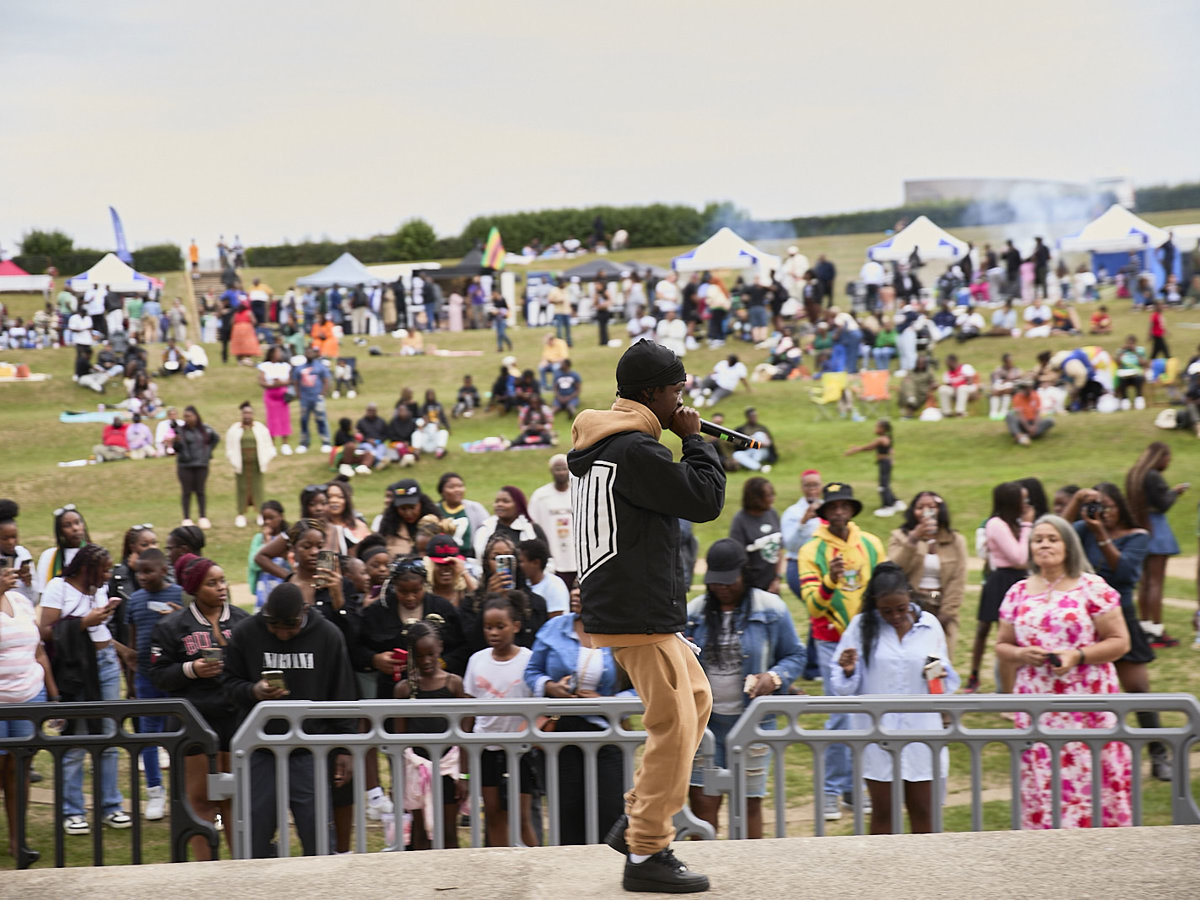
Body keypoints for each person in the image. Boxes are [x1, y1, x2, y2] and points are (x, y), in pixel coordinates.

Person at [566, 339, 722, 892]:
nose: (682, 401)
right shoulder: (635, 451)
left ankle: (637, 818)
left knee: (697, 699)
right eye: (676, 391)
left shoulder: (606, 446)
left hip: (629, 605)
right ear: (653, 392)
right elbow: (705, 500)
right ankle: (647, 851)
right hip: (637, 610)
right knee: (673, 726)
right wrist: (697, 440)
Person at [995, 516, 1132, 829]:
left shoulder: (1092, 587)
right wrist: (1021, 654)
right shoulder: (1018, 591)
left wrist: (1079, 655)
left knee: (1089, 778)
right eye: (1038, 539)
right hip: (1037, 705)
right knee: (1043, 779)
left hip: (1087, 705)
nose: (1044, 544)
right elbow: (1001, 645)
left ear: (1068, 545)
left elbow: (1120, 642)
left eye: (1052, 539)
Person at [221, 582, 357, 857]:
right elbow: (226, 684)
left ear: (304, 611)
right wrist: (253, 691)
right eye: (274, 625)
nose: (282, 633)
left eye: (291, 626)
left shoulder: (328, 635)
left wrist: (343, 748)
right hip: (260, 750)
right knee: (256, 834)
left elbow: (342, 694)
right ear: (265, 613)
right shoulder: (247, 632)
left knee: (316, 833)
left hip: (309, 751)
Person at [684, 539, 804, 839]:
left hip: (752, 723)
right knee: (702, 800)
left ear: (744, 575)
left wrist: (775, 677)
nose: (721, 588)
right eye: (715, 582)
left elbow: (796, 655)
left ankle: (749, 869)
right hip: (704, 724)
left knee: (748, 802)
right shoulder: (694, 613)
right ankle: (705, 865)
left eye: (729, 582)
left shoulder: (771, 609)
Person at [831, 562, 958, 833]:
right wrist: (847, 670)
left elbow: (945, 684)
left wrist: (940, 675)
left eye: (901, 608)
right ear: (875, 605)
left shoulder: (929, 625)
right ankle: (882, 874)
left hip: (922, 734)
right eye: (886, 611)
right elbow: (842, 688)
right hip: (878, 736)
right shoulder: (860, 627)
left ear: (910, 597)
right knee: (883, 814)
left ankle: (925, 873)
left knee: (924, 812)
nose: (895, 616)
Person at [1060, 483, 1169, 780]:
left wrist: (1101, 535)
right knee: (1082, 692)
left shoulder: (1137, 536)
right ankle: (1078, 757)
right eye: (1097, 506)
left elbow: (1125, 573)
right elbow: (1057, 533)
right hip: (1082, 621)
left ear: (1120, 506)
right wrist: (1078, 502)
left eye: (1107, 506)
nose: (1103, 512)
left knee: (1138, 689)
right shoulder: (1082, 528)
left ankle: (1159, 754)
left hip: (1119, 619)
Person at [147, 554, 247, 858]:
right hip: (195, 721)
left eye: (222, 581)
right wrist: (192, 669)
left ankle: (243, 868)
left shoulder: (244, 621)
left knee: (235, 798)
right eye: (211, 583)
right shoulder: (171, 626)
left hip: (236, 720)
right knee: (201, 799)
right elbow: (157, 675)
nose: (221, 588)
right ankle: (207, 871)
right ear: (194, 588)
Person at [798, 482, 885, 821]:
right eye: (832, 506)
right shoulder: (811, 550)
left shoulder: (871, 544)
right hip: (831, 639)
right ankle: (832, 791)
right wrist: (830, 581)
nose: (838, 511)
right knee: (838, 717)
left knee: (867, 715)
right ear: (824, 513)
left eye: (844, 505)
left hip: (869, 638)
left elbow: (885, 587)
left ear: (851, 510)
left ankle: (855, 787)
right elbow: (813, 607)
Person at [38, 544, 133, 835]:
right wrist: (84, 622)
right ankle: (73, 811)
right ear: (84, 568)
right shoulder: (59, 587)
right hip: (77, 671)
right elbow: (44, 630)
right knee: (77, 738)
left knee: (108, 734)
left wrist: (120, 650)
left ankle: (111, 806)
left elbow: (99, 632)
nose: (108, 575)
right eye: (103, 569)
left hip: (105, 663)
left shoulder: (97, 589)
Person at [392, 620, 468, 849]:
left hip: (447, 769)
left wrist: (464, 776)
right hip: (416, 769)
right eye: (420, 655)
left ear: (440, 649)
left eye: (431, 655)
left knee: (449, 833)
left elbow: (463, 735)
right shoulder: (404, 689)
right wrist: (398, 780)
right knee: (419, 834)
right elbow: (399, 741)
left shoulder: (453, 684)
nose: (426, 661)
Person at [0, 561, 56, 867]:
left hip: (29, 698)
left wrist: (53, 694)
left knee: (19, 771)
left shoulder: (21, 601)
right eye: (3, 571)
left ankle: (18, 842)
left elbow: (38, 650)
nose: (11, 574)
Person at [123, 549, 182, 823]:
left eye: (148, 571)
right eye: (138, 572)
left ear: (163, 570)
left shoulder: (179, 595)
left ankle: (183, 792)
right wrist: (131, 682)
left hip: (175, 675)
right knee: (148, 734)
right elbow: (133, 642)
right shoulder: (135, 600)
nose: (142, 576)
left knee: (182, 733)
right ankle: (155, 792)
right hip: (146, 677)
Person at [966, 481, 1034, 693]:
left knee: (1017, 635)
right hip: (1002, 579)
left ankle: (1012, 684)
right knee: (989, 630)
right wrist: (1027, 526)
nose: (1027, 503)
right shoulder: (996, 524)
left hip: (1019, 580)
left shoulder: (1014, 522)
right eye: (1022, 499)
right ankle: (976, 676)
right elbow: (1020, 558)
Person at [886, 492, 968, 658]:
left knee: (936, 665)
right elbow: (893, 570)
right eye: (920, 507)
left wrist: (946, 614)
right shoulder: (900, 537)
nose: (926, 511)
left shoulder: (956, 541)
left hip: (941, 608)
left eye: (931, 507)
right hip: (909, 608)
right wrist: (913, 539)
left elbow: (958, 579)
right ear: (912, 511)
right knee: (910, 659)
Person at [1126, 442, 1189, 647]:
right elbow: (1163, 504)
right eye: (1167, 457)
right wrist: (1175, 492)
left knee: (1144, 582)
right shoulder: (1153, 476)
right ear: (1159, 457)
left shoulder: (1134, 474)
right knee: (1156, 583)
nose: (1168, 462)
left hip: (1139, 527)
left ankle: (1144, 626)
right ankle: (1157, 629)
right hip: (1156, 529)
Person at [527, 454, 576, 588]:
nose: (561, 472)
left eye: (564, 469)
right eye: (557, 469)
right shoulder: (540, 496)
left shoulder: (578, 491)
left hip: (576, 557)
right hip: (553, 557)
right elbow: (533, 526)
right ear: (551, 471)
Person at [225, 401, 276, 529]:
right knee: (242, 488)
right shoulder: (235, 429)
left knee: (258, 488)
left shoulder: (260, 428)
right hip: (241, 464)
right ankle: (241, 514)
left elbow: (268, 445)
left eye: (249, 413)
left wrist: (265, 459)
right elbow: (229, 447)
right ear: (242, 414)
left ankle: (260, 513)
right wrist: (233, 459)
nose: (247, 415)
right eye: (245, 413)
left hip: (256, 464)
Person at [728, 477, 783, 593]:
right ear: (755, 498)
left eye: (773, 494)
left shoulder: (772, 514)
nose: (773, 499)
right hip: (750, 588)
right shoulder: (740, 521)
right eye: (768, 495)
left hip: (772, 587)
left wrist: (777, 579)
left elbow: (779, 550)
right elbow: (736, 559)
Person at [171, 405, 219, 529]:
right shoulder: (181, 431)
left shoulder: (205, 430)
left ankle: (202, 517)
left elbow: (216, 438)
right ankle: (186, 518)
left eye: (189, 416)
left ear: (196, 416)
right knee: (186, 492)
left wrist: (208, 452)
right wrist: (176, 441)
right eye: (185, 416)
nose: (187, 419)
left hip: (201, 464)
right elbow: (177, 449)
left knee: (200, 491)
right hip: (185, 465)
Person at [844, 419, 902, 517]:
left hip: (884, 463)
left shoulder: (881, 439)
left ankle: (887, 506)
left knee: (883, 486)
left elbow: (869, 447)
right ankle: (895, 502)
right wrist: (892, 459)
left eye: (877, 427)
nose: (875, 429)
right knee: (885, 483)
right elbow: (891, 450)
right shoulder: (888, 437)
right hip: (885, 463)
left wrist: (855, 450)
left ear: (882, 429)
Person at [472, 486, 547, 560]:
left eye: (505, 501)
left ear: (518, 505)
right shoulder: (485, 529)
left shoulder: (532, 529)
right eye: (497, 501)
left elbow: (546, 559)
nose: (499, 504)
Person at [435, 473, 489, 562]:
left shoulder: (475, 508)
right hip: (441, 559)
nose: (457, 490)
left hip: (469, 559)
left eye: (460, 486)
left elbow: (488, 531)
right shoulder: (435, 509)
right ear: (442, 491)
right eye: (451, 487)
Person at [292, 345, 333, 454]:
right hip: (305, 399)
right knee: (304, 421)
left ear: (315, 354)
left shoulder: (320, 367)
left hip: (317, 398)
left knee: (321, 420)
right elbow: (295, 382)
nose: (309, 354)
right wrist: (298, 395)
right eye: (307, 352)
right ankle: (304, 443)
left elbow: (326, 380)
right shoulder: (299, 368)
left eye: (311, 352)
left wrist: (322, 394)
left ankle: (326, 442)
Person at [248, 501, 288, 610]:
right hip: (263, 588)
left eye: (271, 518)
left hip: (283, 585)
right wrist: (266, 542)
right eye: (264, 519)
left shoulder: (286, 539)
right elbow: (254, 564)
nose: (267, 522)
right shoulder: (258, 539)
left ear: (281, 517)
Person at [517, 538, 569, 616]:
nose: (518, 565)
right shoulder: (522, 584)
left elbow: (556, 620)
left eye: (521, 561)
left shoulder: (554, 584)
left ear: (536, 563)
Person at [258, 345, 293, 455]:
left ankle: (285, 444)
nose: (280, 354)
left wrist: (280, 383)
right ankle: (272, 445)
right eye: (278, 352)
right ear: (272, 353)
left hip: (282, 396)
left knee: (284, 419)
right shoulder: (265, 366)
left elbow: (290, 381)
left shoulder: (285, 366)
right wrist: (273, 384)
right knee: (272, 420)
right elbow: (262, 382)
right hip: (271, 395)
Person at [1006, 381, 1054, 446]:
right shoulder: (1017, 397)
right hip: (1022, 423)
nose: (1024, 390)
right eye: (1022, 388)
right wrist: (1028, 427)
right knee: (1009, 416)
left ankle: (1025, 436)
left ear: (1030, 388)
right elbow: (1020, 415)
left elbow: (1037, 413)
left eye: (1026, 388)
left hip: (1033, 422)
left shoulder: (1035, 395)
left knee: (1050, 420)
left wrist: (1034, 426)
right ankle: (1019, 436)